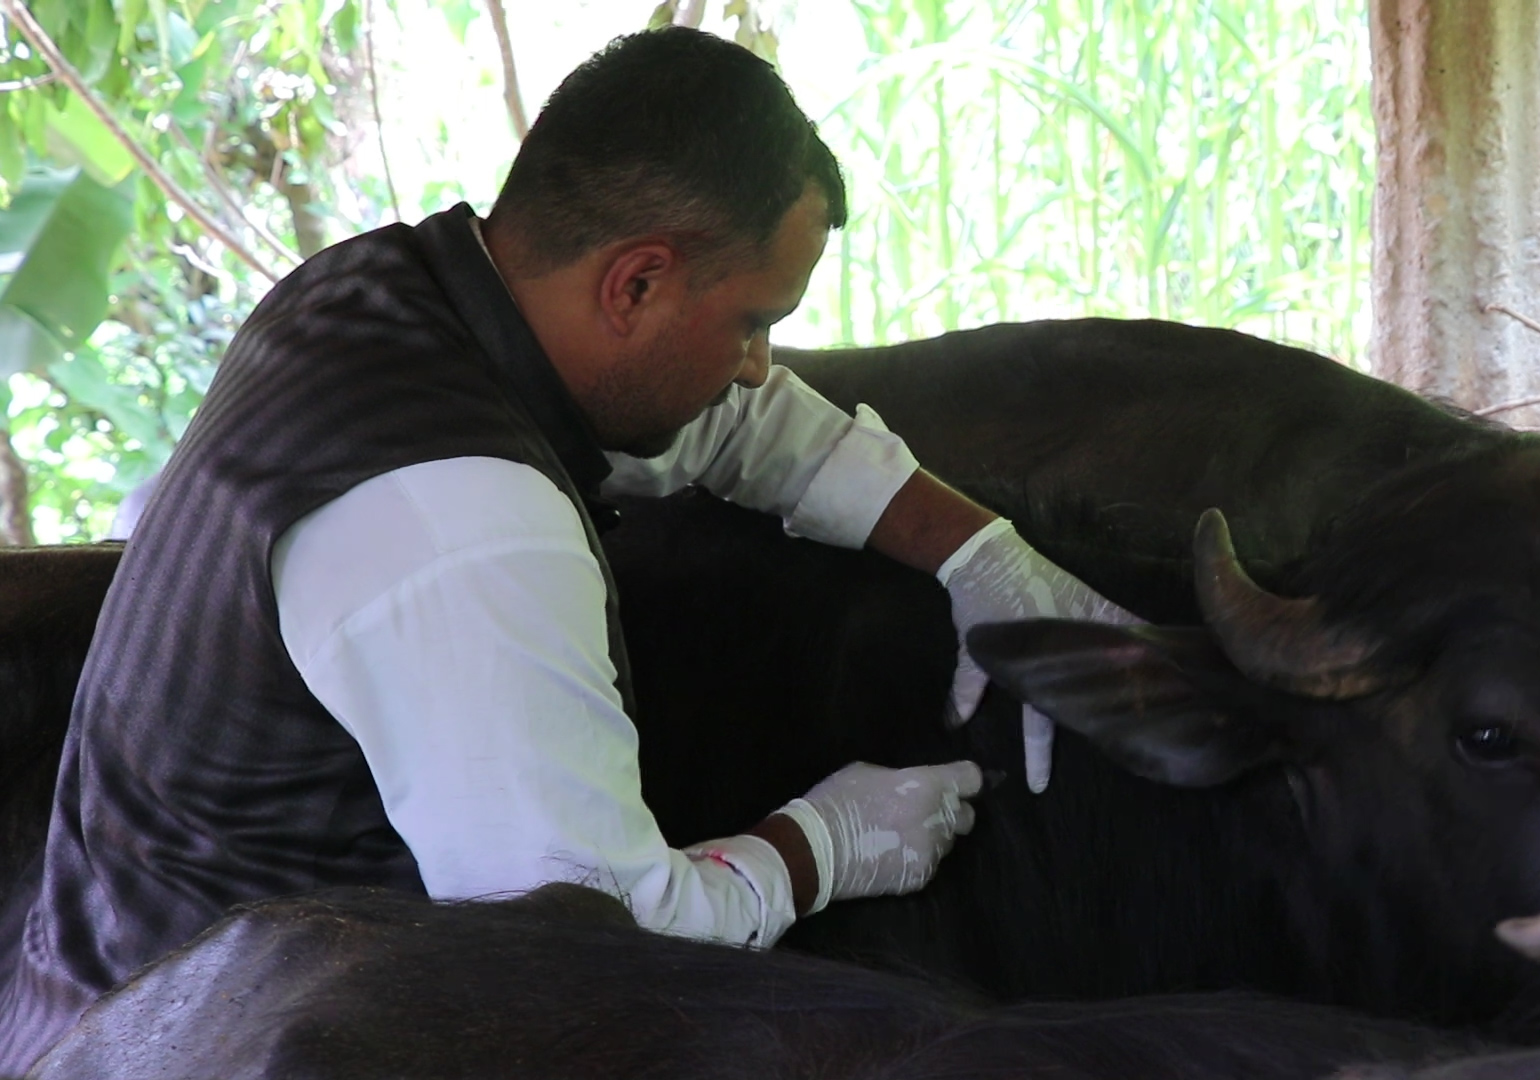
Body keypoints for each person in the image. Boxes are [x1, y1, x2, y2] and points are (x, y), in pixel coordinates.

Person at [0, 27, 1136, 1070]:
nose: (756, 364)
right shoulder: (466, 530)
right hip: (192, 1046)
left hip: (105, 967)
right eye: (753, 322)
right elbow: (602, 944)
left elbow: (737, 425)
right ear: (636, 282)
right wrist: (829, 842)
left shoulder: (383, 291)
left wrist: (978, 551)